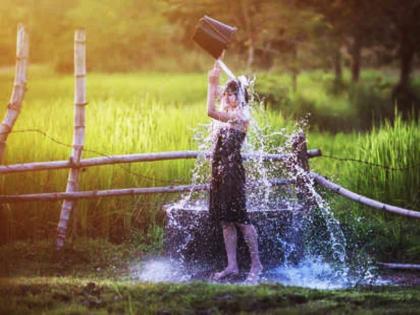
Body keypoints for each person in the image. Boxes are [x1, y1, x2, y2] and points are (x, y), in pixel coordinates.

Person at [207, 61, 263, 282]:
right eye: (227, 94)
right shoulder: (227, 115)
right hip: (219, 172)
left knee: (241, 219)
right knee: (225, 220)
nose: (229, 98)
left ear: (240, 97)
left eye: (233, 94)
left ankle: (257, 266)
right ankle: (232, 266)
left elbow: (209, 111)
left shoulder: (241, 117)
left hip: (233, 173)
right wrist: (214, 77)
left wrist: (211, 83)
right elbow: (215, 111)